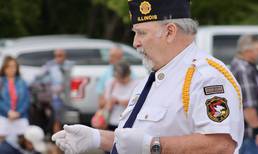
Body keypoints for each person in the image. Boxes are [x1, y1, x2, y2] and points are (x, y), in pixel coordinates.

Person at [52, 0, 244, 154]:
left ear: (170, 32)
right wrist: (98, 138)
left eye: (141, 33)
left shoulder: (207, 77)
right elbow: (135, 143)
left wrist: (154, 146)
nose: (135, 43)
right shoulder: (153, 78)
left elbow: (221, 146)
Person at [230, 34, 258, 154]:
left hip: (253, 136)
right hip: (252, 136)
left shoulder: (246, 67)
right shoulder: (243, 70)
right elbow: (248, 106)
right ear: (248, 50)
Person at [40, 49, 74, 133]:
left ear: (64, 56)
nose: (58, 58)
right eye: (56, 56)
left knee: (68, 120)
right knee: (57, 119)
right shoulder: (50, 66)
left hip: (69, 97)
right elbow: (40, 78)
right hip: (55, 97)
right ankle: (57, 138)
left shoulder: (71, 65)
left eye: (60, 55)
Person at [0, 56, 30, 142]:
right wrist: (8, 112)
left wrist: (18, 113)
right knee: (2, 141)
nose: (11, 69)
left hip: (20, 116)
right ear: (4, 68)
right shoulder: (1, 82)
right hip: (5, 116)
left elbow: (26, 100)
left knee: (23, 140)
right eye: (9, 66)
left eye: (14, 66)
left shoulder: (22, 82)